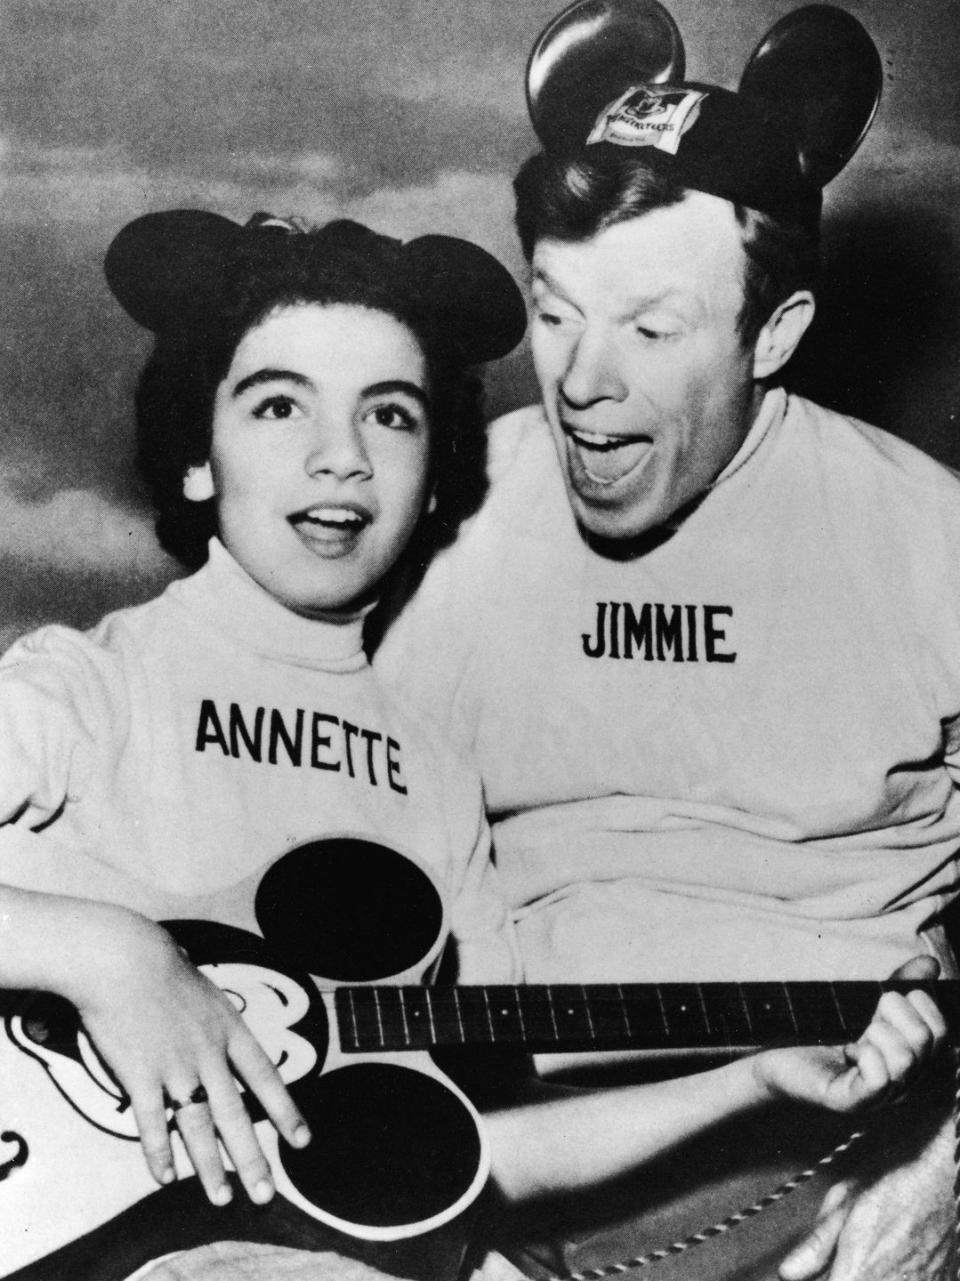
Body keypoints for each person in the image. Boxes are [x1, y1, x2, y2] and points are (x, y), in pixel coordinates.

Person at [0, 208, 945, 1281]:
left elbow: (462, 1155)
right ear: (194, 459)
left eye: (390, 416)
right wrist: (110, 957)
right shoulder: (91, 687)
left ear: (437, 475)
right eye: (277, 406)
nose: (340, 458)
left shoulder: (433, 782)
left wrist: (751, 1082)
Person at [371, 4, 960, 1278]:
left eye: (650, 329)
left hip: (836, 1193)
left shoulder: (930, 544)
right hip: (479, 1180)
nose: (582, 381)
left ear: (776, 334)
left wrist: (946, 1179)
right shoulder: (432, 522)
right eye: (558, 311)